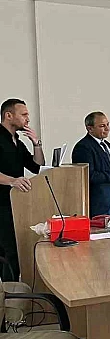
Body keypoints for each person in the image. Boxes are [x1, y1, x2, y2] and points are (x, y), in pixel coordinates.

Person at [0, 99, 45, 281]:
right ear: (8, 115)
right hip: (1, 204)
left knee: (13, 252)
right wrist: (12, 180)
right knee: (9, 252)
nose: (28, 119)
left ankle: (10, 296)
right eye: (24, 114)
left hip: (14, 204)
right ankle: (10, 300)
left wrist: (36, 143)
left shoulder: (17, 140)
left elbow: (37, 167)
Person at [72, 111, 110, 217]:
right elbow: (89, 176)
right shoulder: (83, 147)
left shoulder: (106, 144)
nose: (107, 128)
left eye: (108, 124)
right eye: (102, 126)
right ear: (90, 128)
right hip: (97, 204)